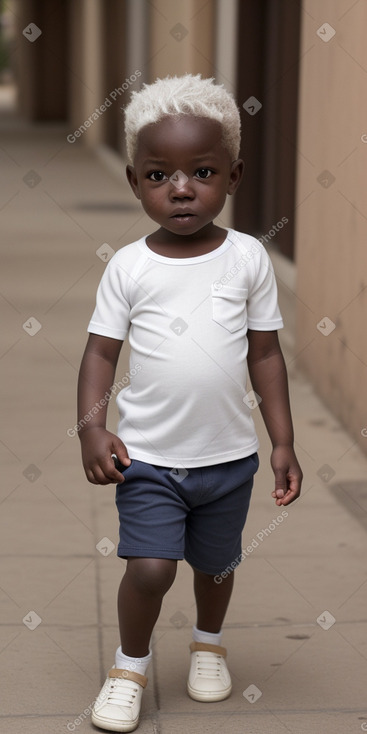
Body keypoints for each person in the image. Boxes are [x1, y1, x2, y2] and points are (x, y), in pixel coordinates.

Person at [77, 74, 303, 732]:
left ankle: (208, 643)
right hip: (146, 456)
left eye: (200, 171)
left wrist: (281, 440)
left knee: (215, 564)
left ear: (232, 175)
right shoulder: (129, 267)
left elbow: (264, 355)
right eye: (158, 175)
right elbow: (99, 355)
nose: (180, 188)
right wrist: (92, 429)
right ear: (134, 181)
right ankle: (130, 665)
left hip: (226, 457)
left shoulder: (247, 259)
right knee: (148, 568)